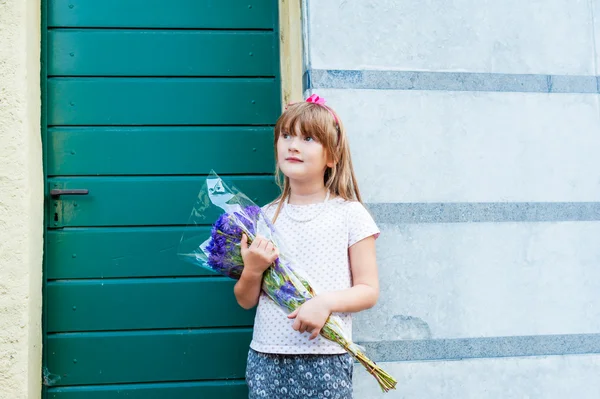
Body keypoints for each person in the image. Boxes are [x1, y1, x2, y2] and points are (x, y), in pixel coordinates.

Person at [234, 94, 380, 398]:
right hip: (267, 357)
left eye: (309, 138)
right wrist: (252, 270)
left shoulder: (350, 214)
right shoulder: (264, 217)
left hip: (327, 357)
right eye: (286, 135)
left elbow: (368, 290)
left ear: (332, 156)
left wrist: (323, 303)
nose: (293, 145)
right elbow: (246, 300)